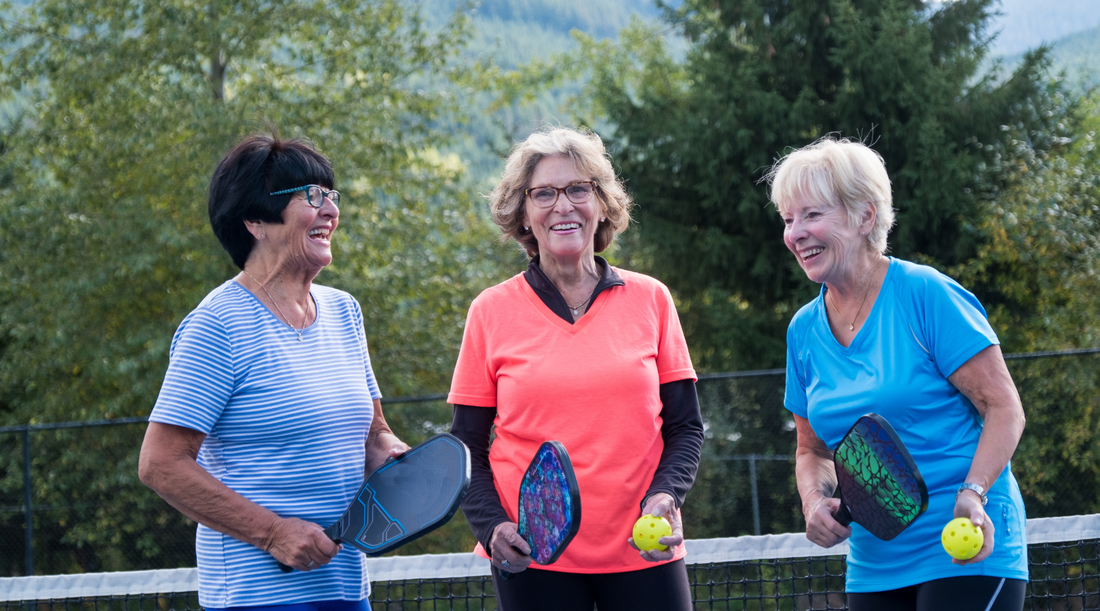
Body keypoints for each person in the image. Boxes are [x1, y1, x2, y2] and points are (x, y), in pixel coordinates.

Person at [138, 135, 408, 610]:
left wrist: (391, 455)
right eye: (311, 196)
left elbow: (373, 434)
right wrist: (272, 534)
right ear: (256, 221)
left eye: (331, 196)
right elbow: (160, 465)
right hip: (253, 596)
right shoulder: (217, 326)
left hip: (345, 588)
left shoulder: (345, 312)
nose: (329, 210)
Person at [447, 126, 705, 611]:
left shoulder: (652, 299)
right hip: (534, 559)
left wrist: (666, 495)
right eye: (543, 193)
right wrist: (492, 526)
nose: (562, 205)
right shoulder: (489, 311)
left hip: (643, 549)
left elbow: (686, 426)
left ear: (602, 203)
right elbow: (464, 446)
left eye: (578, 189)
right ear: (523, 212)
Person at [765, 136, 1028, 610]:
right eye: (788, 220)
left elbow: (1004, 407)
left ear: (865, 217)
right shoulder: (803, 331)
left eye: (812, 215)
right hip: (874, 564)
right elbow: (812, 449)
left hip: (967, 539)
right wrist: (812, 502)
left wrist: (975, 494)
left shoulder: (926, 294)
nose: (795, 233)